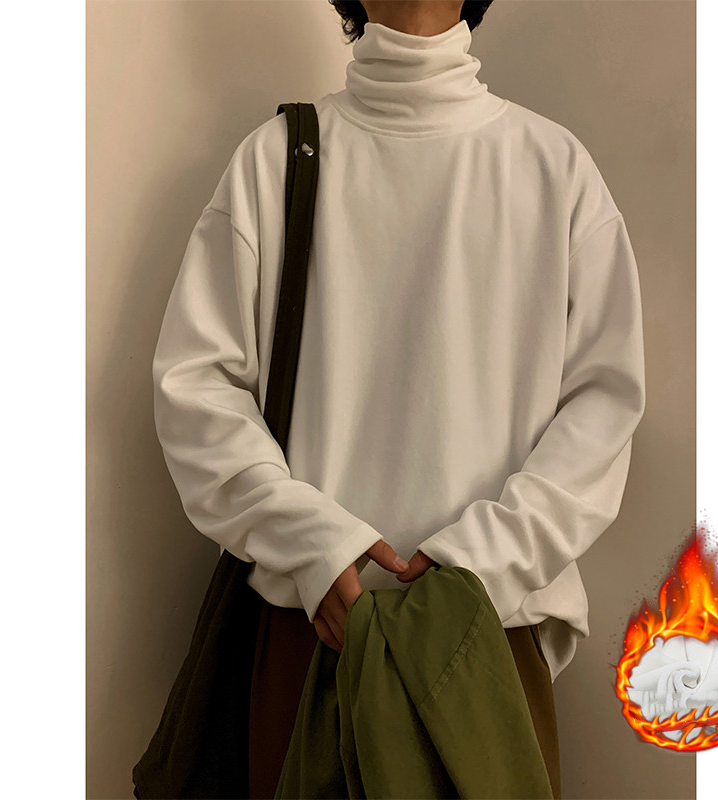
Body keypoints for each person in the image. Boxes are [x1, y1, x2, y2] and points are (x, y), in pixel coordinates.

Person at [151, 1, 646, 797]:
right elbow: (194, 388)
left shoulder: (556, 169)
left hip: (485, 645)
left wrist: (476, 569)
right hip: (314, 641)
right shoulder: (275, 160)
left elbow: (605, 406)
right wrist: (314, 547)